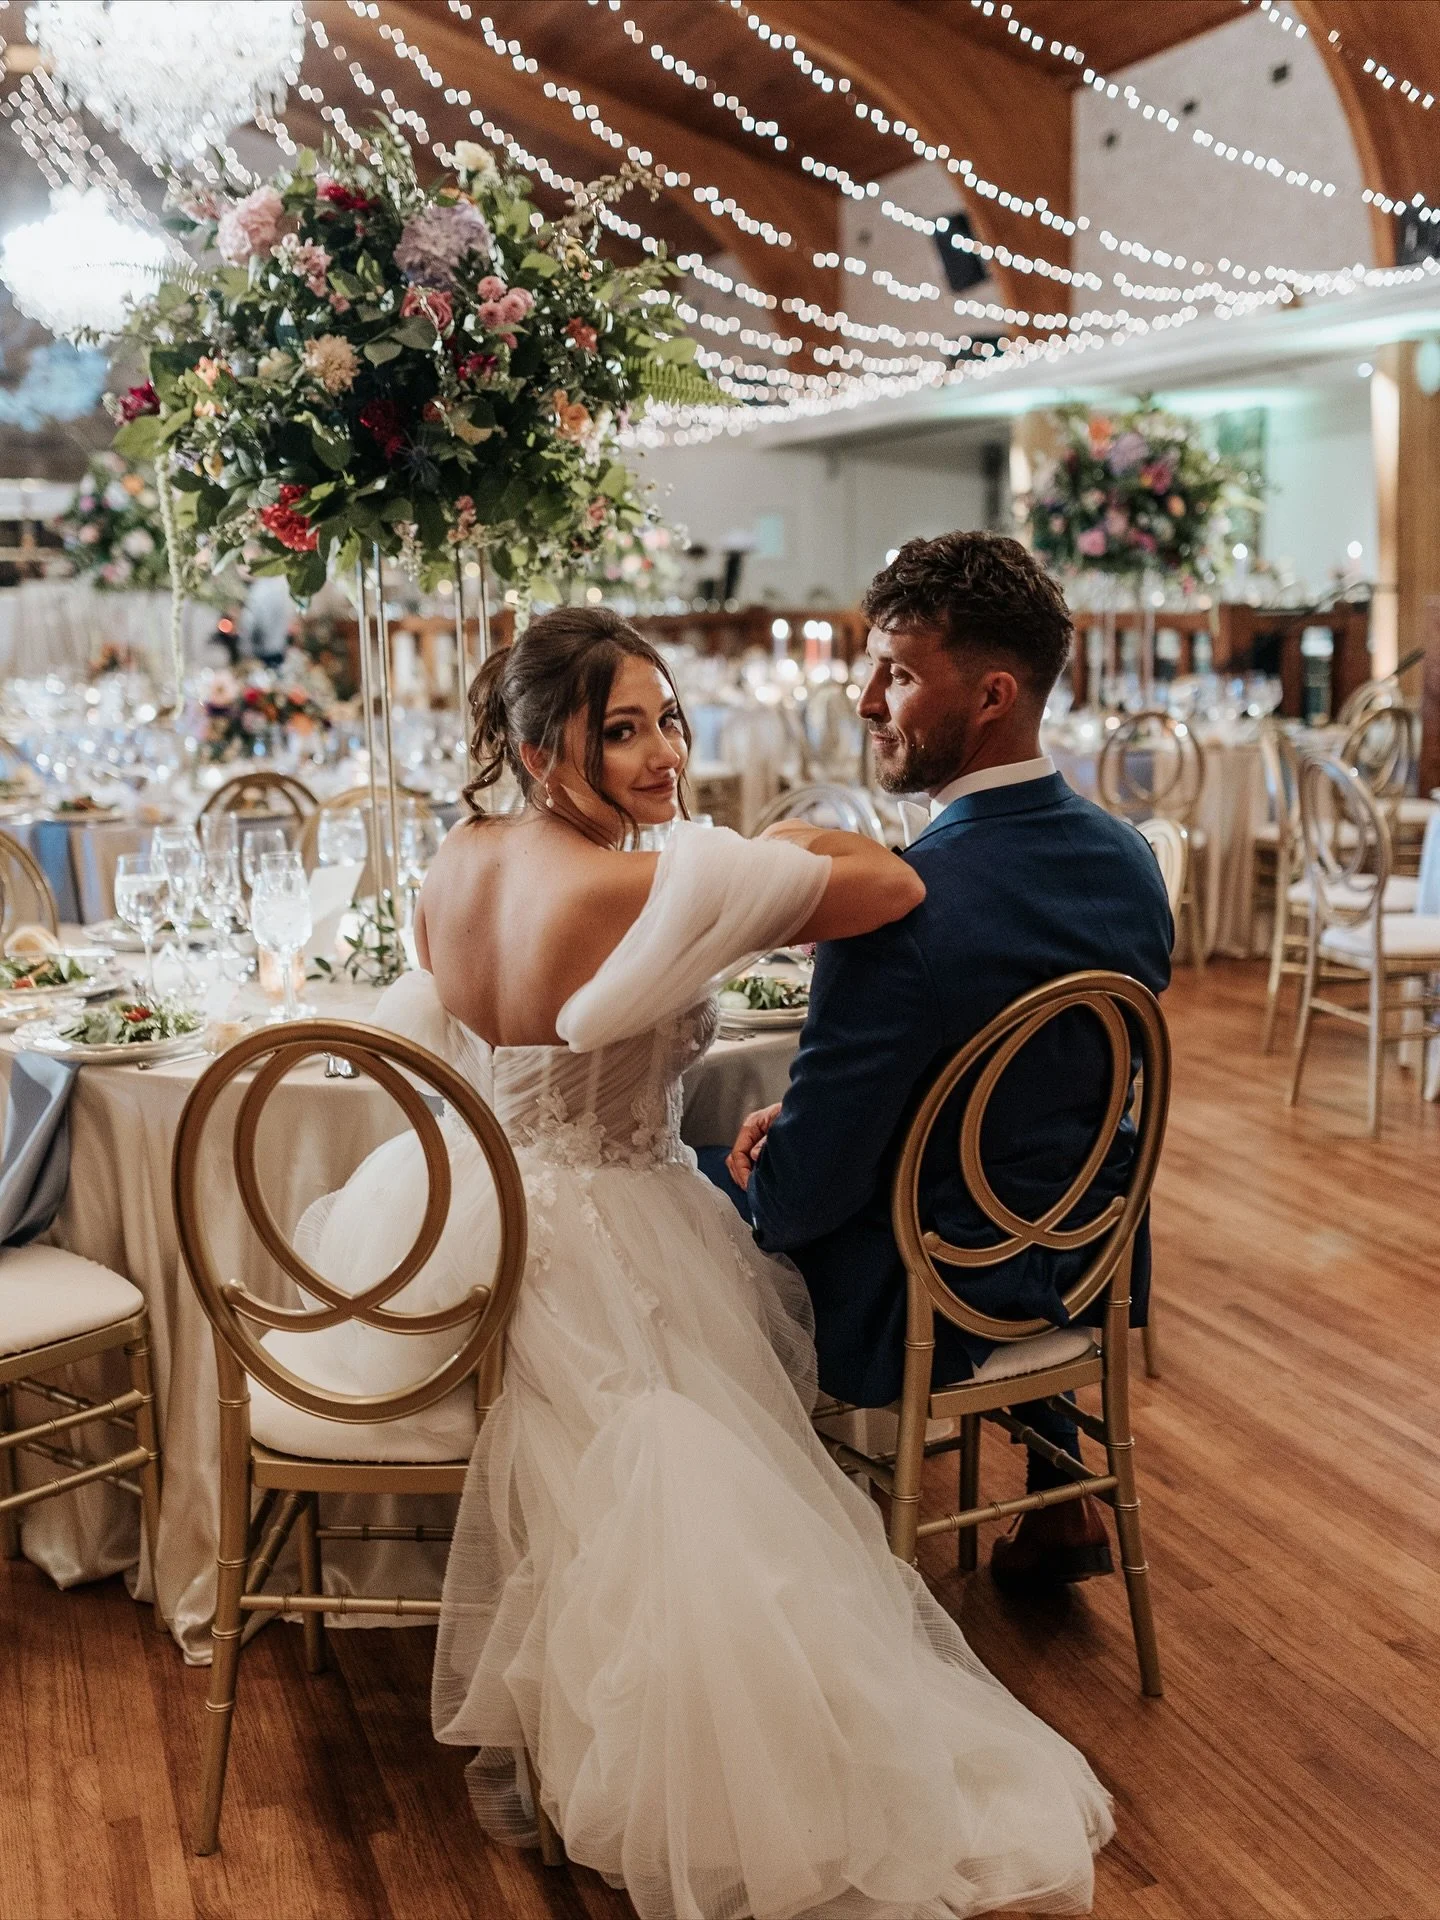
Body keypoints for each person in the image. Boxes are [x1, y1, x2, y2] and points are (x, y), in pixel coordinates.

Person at [290, 607, 1115, 1920]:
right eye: (622, 728)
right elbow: (897, 886)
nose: (664, 749)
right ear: (540, 745)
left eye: (668, 717)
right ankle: (667, 1753)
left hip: (472, 1216)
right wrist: (778, 847)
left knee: (592, 1471)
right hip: (613, 1223)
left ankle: (561, 1727)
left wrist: (723, 855)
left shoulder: (458, 858)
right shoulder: (638, 883)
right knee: (668, 1463)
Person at [717, 533, 1173, 1589]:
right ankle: (1060, 1489)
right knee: (989, 1155)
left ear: (993, 696)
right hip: (1083, 1246)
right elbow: (1054, 1084)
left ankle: (757, 1562)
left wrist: (767, 1153)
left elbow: (799, 1206)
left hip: (926, 1288)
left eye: (903, 674)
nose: (867, 699)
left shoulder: (903, 909)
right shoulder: (1130, 861)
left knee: (669, 1185)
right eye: (874, 667)